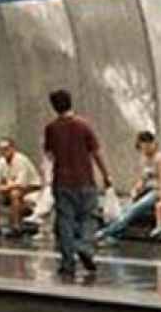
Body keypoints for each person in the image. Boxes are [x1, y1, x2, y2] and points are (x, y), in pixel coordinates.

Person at [42, 89, 112, 279]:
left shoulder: (51, 128)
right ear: (70, 102)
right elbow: (96, 152)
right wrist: (106, 175)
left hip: (61, 182)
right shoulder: (83, 125)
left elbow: (48, 156)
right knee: (89, 217)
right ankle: (84, 247)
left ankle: (67, 262)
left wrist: (46, 181)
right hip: (85, 180)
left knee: (65, 220)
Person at [95, 131, 161, 244]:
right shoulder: (144, 158)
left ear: (152, 144)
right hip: (146, 189)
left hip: (157, 191)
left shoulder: (160, 159)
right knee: (125, 209)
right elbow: (143, 178)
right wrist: (136, 189)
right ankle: (114, 237)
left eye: (147, 147)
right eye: (142, 147)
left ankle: (105, 232)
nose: (145, 150)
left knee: (134, 210)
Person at [0, 138, 43, 238]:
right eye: (1, 149)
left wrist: (1, 188)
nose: (4, 152)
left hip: (30, 187)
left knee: (15, 194)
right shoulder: (1, 161)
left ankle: (15, 226)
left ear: (13, 149)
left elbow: (20, 183)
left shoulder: (21, 160)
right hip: (11, 187)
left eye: (6, 149)